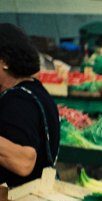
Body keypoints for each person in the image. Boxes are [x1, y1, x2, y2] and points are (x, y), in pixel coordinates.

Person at [0, 23, 60, 187]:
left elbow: (24, 162)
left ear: (4, 62)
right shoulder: (36, 90)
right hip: (38, 195)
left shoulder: (17, 102)